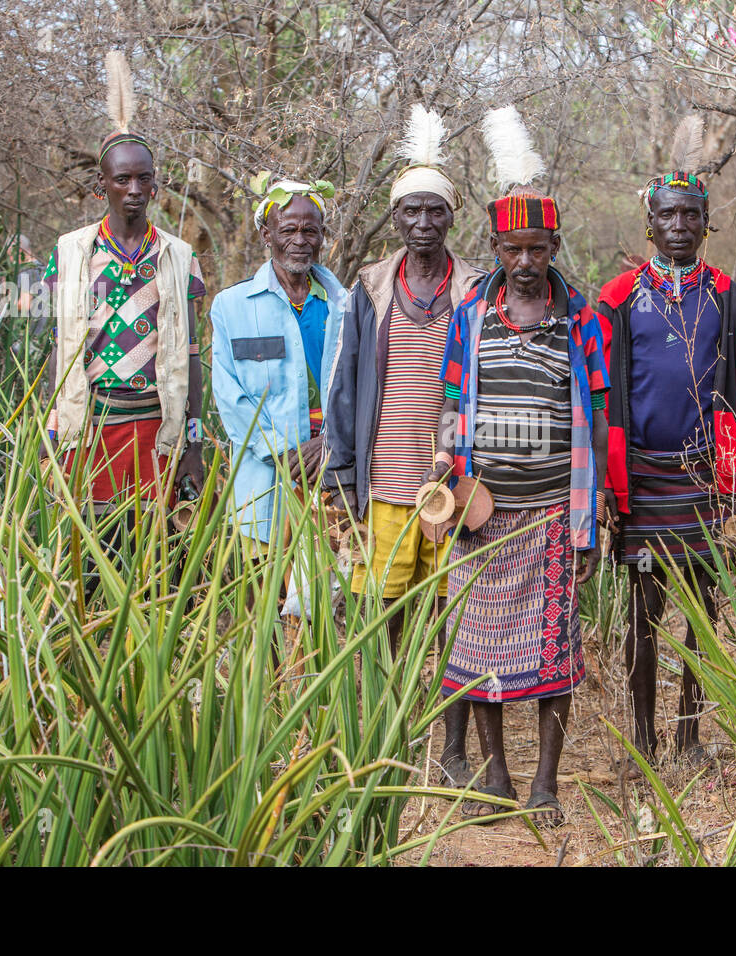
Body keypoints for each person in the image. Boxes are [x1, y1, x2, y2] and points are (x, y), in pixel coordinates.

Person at [423, 106, 610, 828]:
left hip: (553, 516)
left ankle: (545, 783)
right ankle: (496, 771)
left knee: (554, 656)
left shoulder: (583, 320)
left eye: (537, 248)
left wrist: (591, 520)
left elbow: (596, 417)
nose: (526, 261)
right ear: (496, 248)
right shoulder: (471, 314)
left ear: (554, 245)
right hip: (481, 512)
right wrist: (443, 468)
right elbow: (449, 398)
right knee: (476, 650)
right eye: (512, 248)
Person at [323, 106, 482, 787]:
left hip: (451, 482)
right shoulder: (369, 286)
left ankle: (450, 751)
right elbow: (345, 383)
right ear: (397, 219)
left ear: (451, 218)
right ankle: (378, 739)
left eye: (434, 212)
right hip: (386, 480)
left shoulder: (476, 288)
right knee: (379, 611)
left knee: (452, 616)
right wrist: (341, 471)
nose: (423, 224)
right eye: (411, 212)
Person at [596, 170, 736, 765]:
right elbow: (601, 394)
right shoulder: (617, 299)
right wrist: (606, 482)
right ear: (651, 221)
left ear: (706, 220)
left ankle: (690, 737)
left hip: (704, 481)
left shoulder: (728, 297)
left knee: (702, 611)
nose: (678, 225)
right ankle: (643, 737)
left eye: (690, 214)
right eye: (667, 214)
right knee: (644, 611)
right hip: (641, 479)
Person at [41, 127, 206, 535]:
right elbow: (57, 350)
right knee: (92, 550)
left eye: (143, 178)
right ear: (103, 184)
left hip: (155, 426)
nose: (134, 189)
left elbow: (191, 353)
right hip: (91, 424)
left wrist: (195, 443)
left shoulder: (179, 256)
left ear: (155, 183)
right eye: (122, 179)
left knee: (155, 551)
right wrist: (50, 435)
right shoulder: (71, 253)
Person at [209, 176, 346, 565]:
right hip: (263, 475)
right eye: (288, 230)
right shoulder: (232, 306)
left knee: (327, 591)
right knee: (264, 589)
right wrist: (281, 451)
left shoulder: (346, 304)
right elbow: (229, 396)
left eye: (310, 230)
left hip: (329, 467)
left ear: (322, 237)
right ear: (266, 235)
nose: (300, 240)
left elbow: (359, 385)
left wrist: (332, 444)